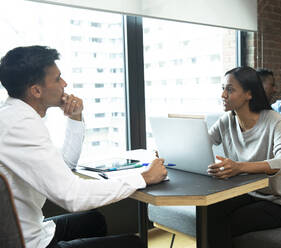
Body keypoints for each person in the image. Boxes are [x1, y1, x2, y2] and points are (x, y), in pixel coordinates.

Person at [0, 45, 168, 248]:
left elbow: (65, 165)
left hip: (35, 228)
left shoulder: (14, 115)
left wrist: (75, 118)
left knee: (94, 220)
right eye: (57, 79)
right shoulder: (22, 126)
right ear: (36, 90)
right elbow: (73, 197)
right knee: (134, 244)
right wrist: (144, 178)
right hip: (30, 243)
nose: (64, 83)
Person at [207, 66, 281, 248]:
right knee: (209, 211)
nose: (223, 95)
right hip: (246, 194)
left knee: (227, 222)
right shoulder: (227, 120)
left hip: (278, 202)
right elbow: (201, 143)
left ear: (249, 94)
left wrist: (239, 167)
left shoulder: (273, 120)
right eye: (222, 88)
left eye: (230, 89)